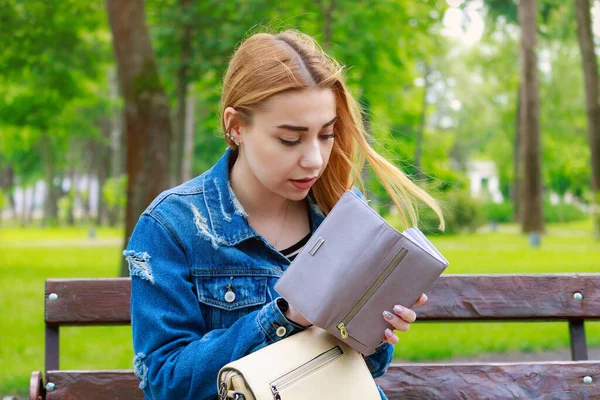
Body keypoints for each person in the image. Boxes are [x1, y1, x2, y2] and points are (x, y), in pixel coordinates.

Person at [124, 29, 445, 400]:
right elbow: (165, 384)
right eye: (290, 139)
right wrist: (288, 315)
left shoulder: (339, 211)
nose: (314, 160)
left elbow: (365, 370)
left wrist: (375, 324)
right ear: (235, 126)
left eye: (326, 135)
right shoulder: (172, 225)